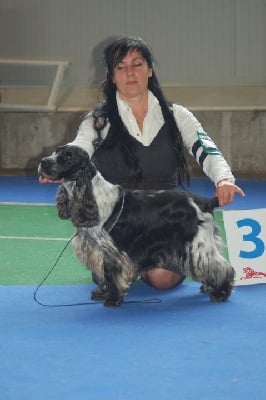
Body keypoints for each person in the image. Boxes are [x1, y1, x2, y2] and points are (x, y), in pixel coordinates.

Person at [39, 36, 245, 290]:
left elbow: (206, 149)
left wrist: (224, 179)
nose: (130, 73)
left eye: (137, 64)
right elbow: (81, 145)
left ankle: (155, 265)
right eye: (121, 67)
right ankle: (125, 264)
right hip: (116, 221)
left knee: (162, 279)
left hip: (164, 215)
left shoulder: (177, 115)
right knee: (108, 274)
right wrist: (63, 166)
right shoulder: (98, 119)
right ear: (112, 77)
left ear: (149, 69)